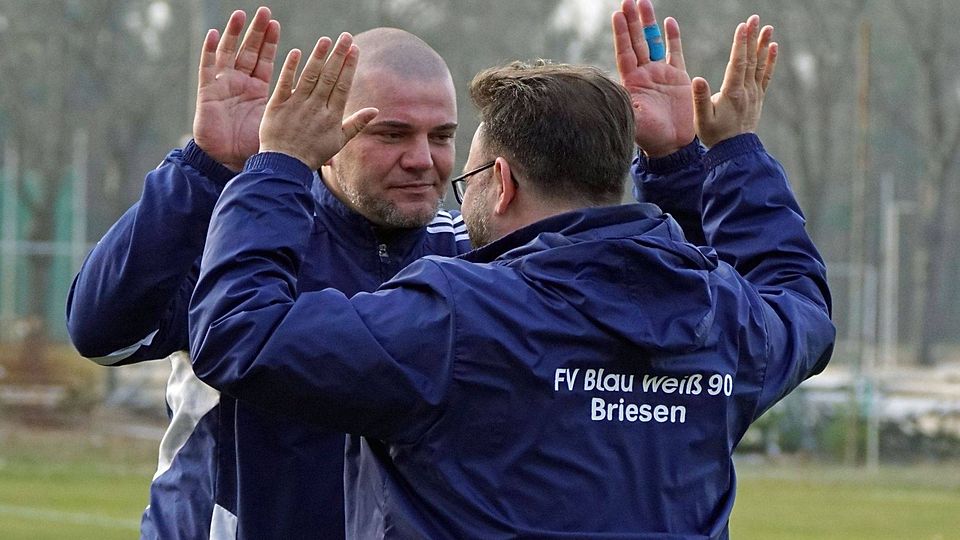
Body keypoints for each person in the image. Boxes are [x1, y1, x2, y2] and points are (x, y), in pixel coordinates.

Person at [188, 6, 836, 538]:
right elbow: (799, 297)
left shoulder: (457, 321)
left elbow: (240, 333)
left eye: (464, 176)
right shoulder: (725, 320)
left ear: (499, 183)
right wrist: (704, 159)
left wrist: (279, 165)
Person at [65, 7, 469, 539]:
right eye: (392, 134)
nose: (422, 158)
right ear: (329, 132)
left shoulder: (466, 251)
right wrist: (206, 165)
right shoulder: (245, 237)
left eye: (440, 136)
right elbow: (101, 334)